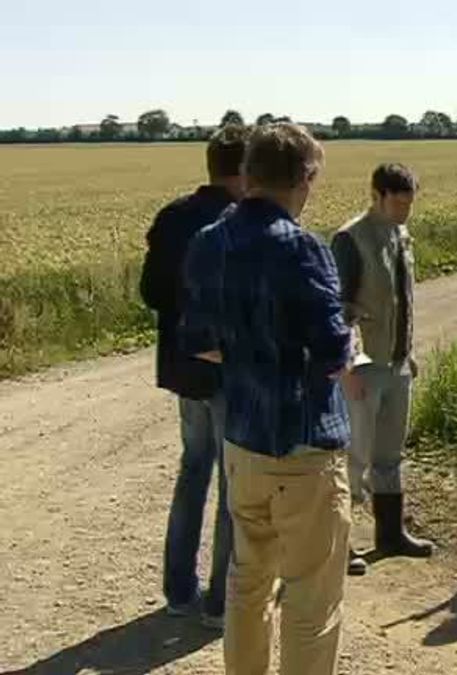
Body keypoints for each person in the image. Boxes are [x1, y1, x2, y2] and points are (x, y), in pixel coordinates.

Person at [179, 123, 353, 675]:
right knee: (310, 599)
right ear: (305, 178)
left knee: (246, 585)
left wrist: (251, 354)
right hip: (303, 447)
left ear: (248, 174)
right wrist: (351, 343)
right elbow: (331, 354)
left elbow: (197, 344)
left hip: (243, 444)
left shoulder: (208, 242)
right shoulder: (305, 248)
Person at [139, 124, 247, 629]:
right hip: (226, 369)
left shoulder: (171, 216)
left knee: (192, 472)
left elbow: (151, 293)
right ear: (244, 172)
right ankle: (221, 603)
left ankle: (179, 590)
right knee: (232, 485)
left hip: (182, 369)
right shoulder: (236, 223)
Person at [331, 164, 434, 576]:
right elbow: (338, 310)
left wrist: (406, 352)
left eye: (410, 203)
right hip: (363, 368)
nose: (405, 211)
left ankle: (390, 534)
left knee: (390, 454)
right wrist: (346, 366)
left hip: (396, 364)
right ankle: (340, 545)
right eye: (398, 203)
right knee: (355, 457)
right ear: (376, 196)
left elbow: (402, 301)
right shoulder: (350, 239)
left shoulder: (401, 234)